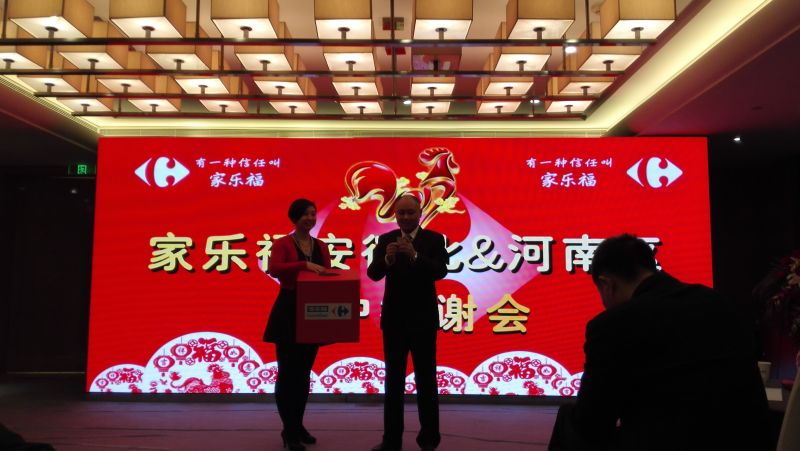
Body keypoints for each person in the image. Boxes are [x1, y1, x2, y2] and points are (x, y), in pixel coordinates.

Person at [548, 234, 771, 451]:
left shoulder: (612, 325)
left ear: (607, 284)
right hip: (749, 441)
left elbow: (592, 424)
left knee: (569, 422)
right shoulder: (718, 303)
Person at [367, 194, 449, 451]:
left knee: (426, 381)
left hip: (423, 321)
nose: (405, 217)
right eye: (400, 213)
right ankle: (391, 441)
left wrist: (415, 256)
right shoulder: (386, 240)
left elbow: (440, 271)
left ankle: (429, 440)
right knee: (393, 383)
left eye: (410, 212)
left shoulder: (434, 239)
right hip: (394, 321)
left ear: (420, 213)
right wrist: (387, 260)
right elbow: (373, 273)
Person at [263, 198, 331, 451]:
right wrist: (304, 265)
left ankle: (297, 425)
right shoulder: (282, 243)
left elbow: (328, 274)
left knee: (303, 374)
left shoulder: (321, 245)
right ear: (295, 218)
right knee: (287, 373)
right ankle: (289, 430)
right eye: (305, 214)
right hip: (288, 310)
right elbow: (274, 268)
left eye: (313, 214)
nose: (310, 218)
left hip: (313, 312)